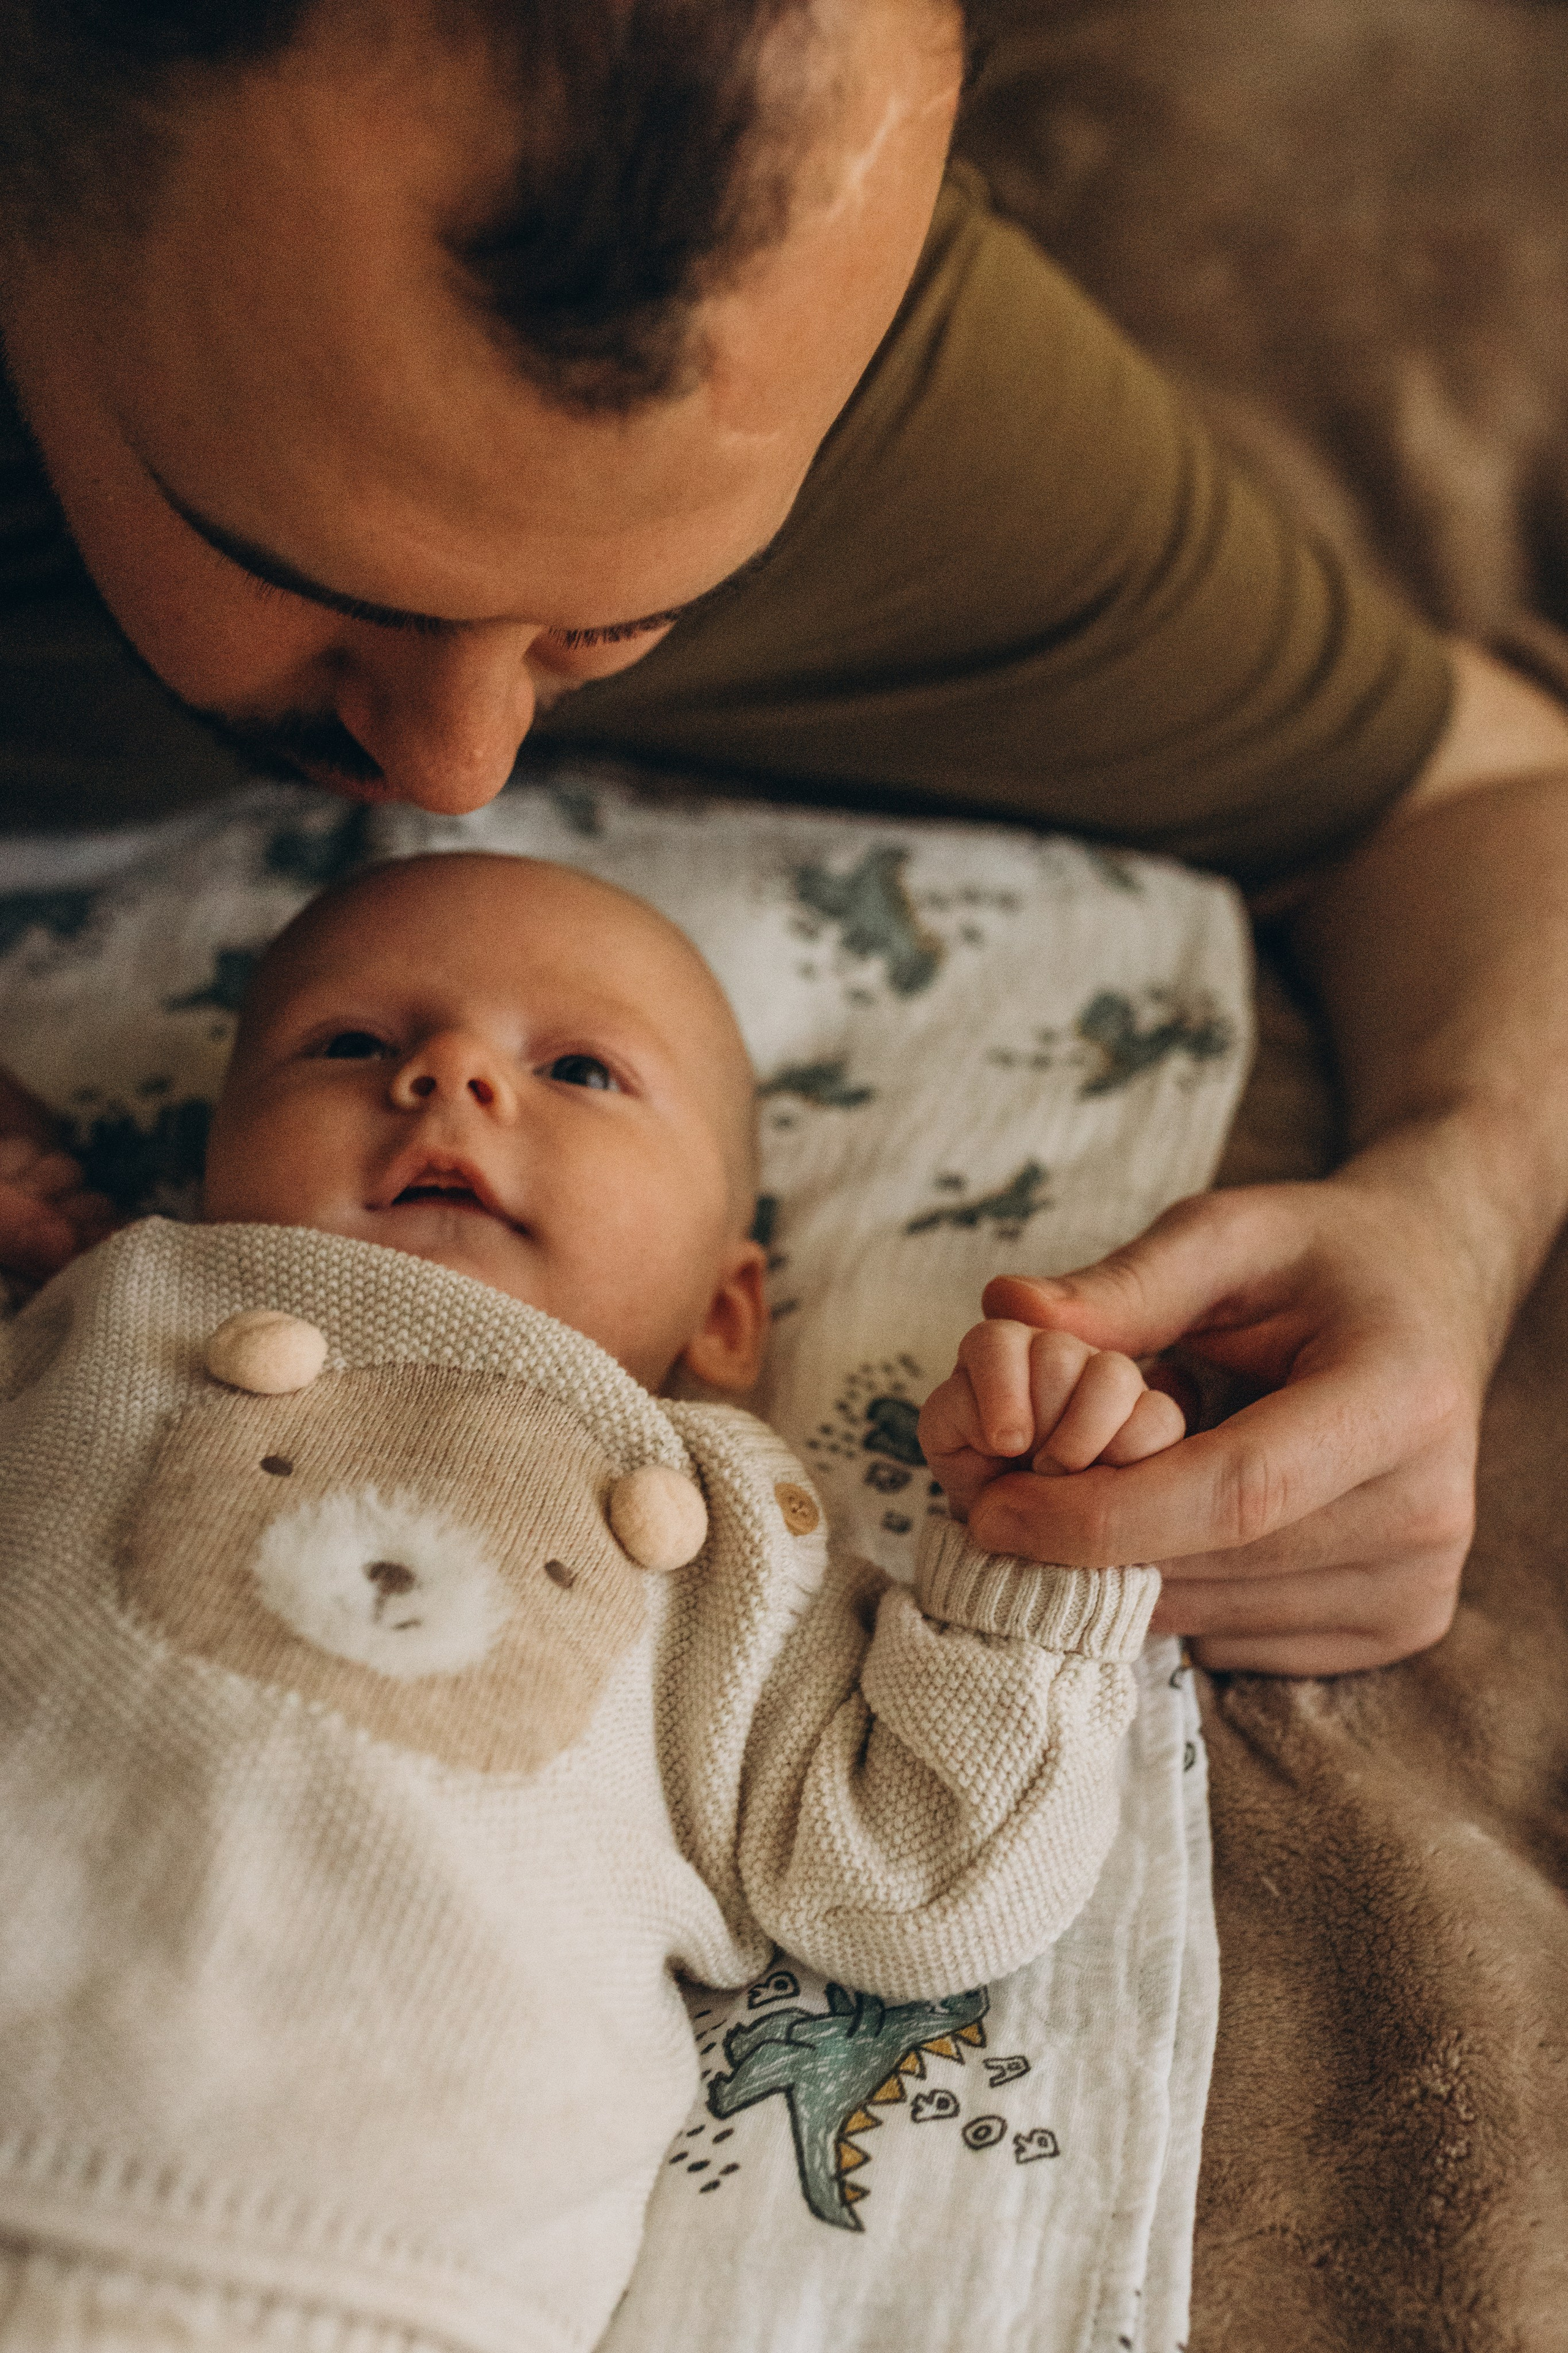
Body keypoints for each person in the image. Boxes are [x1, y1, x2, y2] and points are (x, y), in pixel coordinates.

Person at [2, 0, 1566, 1680]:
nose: (460, 771)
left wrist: (1450, 1220)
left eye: (615, 625)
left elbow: (1485, 790)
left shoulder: (864, 369)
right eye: (312, 583)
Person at [0, 850, 1182, 2349]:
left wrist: (1032, 1543)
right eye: (351, 1044)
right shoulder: (104, 1319)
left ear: (725, 1308)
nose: (447, 1077)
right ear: (213, 1163)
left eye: (576, 1067)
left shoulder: (733, 1540)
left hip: (384, 2265)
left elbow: (918, 1884)